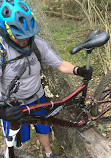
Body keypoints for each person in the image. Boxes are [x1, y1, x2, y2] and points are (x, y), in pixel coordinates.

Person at [0, 0, 93, 158]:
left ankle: (49, 153)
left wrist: (78, 70)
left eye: (28, 36)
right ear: (6, 32)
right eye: (19, 37)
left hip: (38, 97)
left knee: (44, 127)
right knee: (15, 137)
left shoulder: (37, 44)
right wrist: (2, 110)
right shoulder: (3, 52)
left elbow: (60, 64)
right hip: (13, 105)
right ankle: (17, 151)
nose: (25, 41)